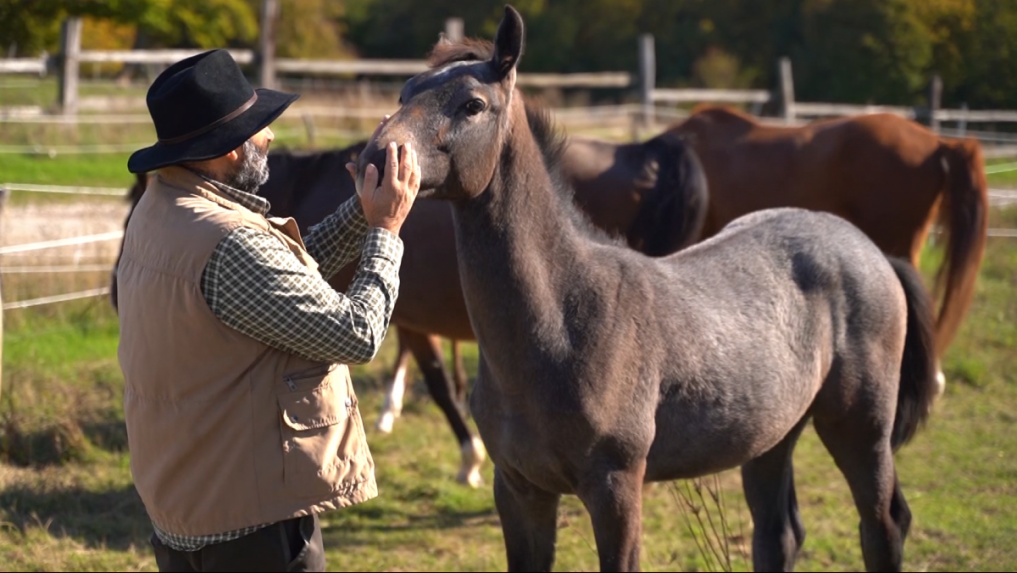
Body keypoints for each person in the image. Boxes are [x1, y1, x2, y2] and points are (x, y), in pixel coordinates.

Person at [116, 49, 419, 572]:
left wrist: (360, 211)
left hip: (189, 508)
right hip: (252, 528)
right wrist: (385, 232)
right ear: (231, 150)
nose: (271, 137)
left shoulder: (162, 208)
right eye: (259, 127)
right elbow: (357, 332)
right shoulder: (228, 242)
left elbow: (273, 287)